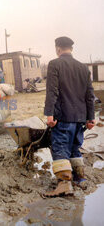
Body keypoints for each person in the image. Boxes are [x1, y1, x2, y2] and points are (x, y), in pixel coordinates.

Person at [44, 36, 95, 197]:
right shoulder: (83, 68)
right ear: (71, 49)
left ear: (58, 48)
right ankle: (80, 178)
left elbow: (52, 91)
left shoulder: (55, 64)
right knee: (74, 147)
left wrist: (49, 114)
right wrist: (91, 117)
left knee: (60, 148)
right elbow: (89, 95)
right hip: (80, 118)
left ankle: (64, 184)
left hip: (63, 116)